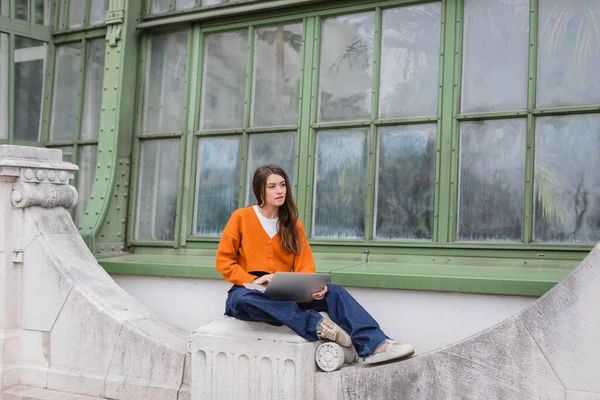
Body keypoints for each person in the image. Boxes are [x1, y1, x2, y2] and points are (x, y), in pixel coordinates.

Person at [215, 164, 414, 364]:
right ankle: (318, 325)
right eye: (272, 186)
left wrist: (311, 288)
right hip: (249, 290)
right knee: (242, 300)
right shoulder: (241, 217)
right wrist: (255, 280)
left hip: (285, 290)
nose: (280, 191)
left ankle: (376, 344)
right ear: (260, 190)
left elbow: (304, 265)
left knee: (334, 292)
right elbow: (224, 262)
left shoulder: (292, 225)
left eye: (282, 185)